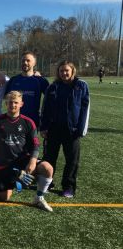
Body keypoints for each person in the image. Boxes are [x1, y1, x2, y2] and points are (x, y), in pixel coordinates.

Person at [0, 91, 54, 212]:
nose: (12, 105)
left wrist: (33, 161)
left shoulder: (28, 122)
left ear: (21, 104)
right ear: (5, 103)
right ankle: (3, 182)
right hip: (5, 164)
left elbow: (36, 144)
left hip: (22, 160)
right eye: (10, 102)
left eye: (15, 102)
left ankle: (39, 197)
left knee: (47, 168)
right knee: (4, 197)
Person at [41, 61, 90, 198]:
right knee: (49, 157)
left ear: (73, 71)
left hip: (72, 130)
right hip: (53, 128)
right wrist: (44, 127)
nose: (64, 73)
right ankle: (47, 182)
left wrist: (81, 129)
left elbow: (85, 108)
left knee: (72, 160)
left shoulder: (81, 86)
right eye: (61, 71)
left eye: (66, 70)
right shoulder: (53, 87)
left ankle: (68, 187)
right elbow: (45, 109)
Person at [5, 51, 49, 127]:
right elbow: (4, 98)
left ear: (34, 63)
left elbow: (50, 100)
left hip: (32, 122)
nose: (25, 63)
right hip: (13, 121)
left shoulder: (41, 81)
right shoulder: (13, 80)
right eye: (23, 61)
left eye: (28, 60)